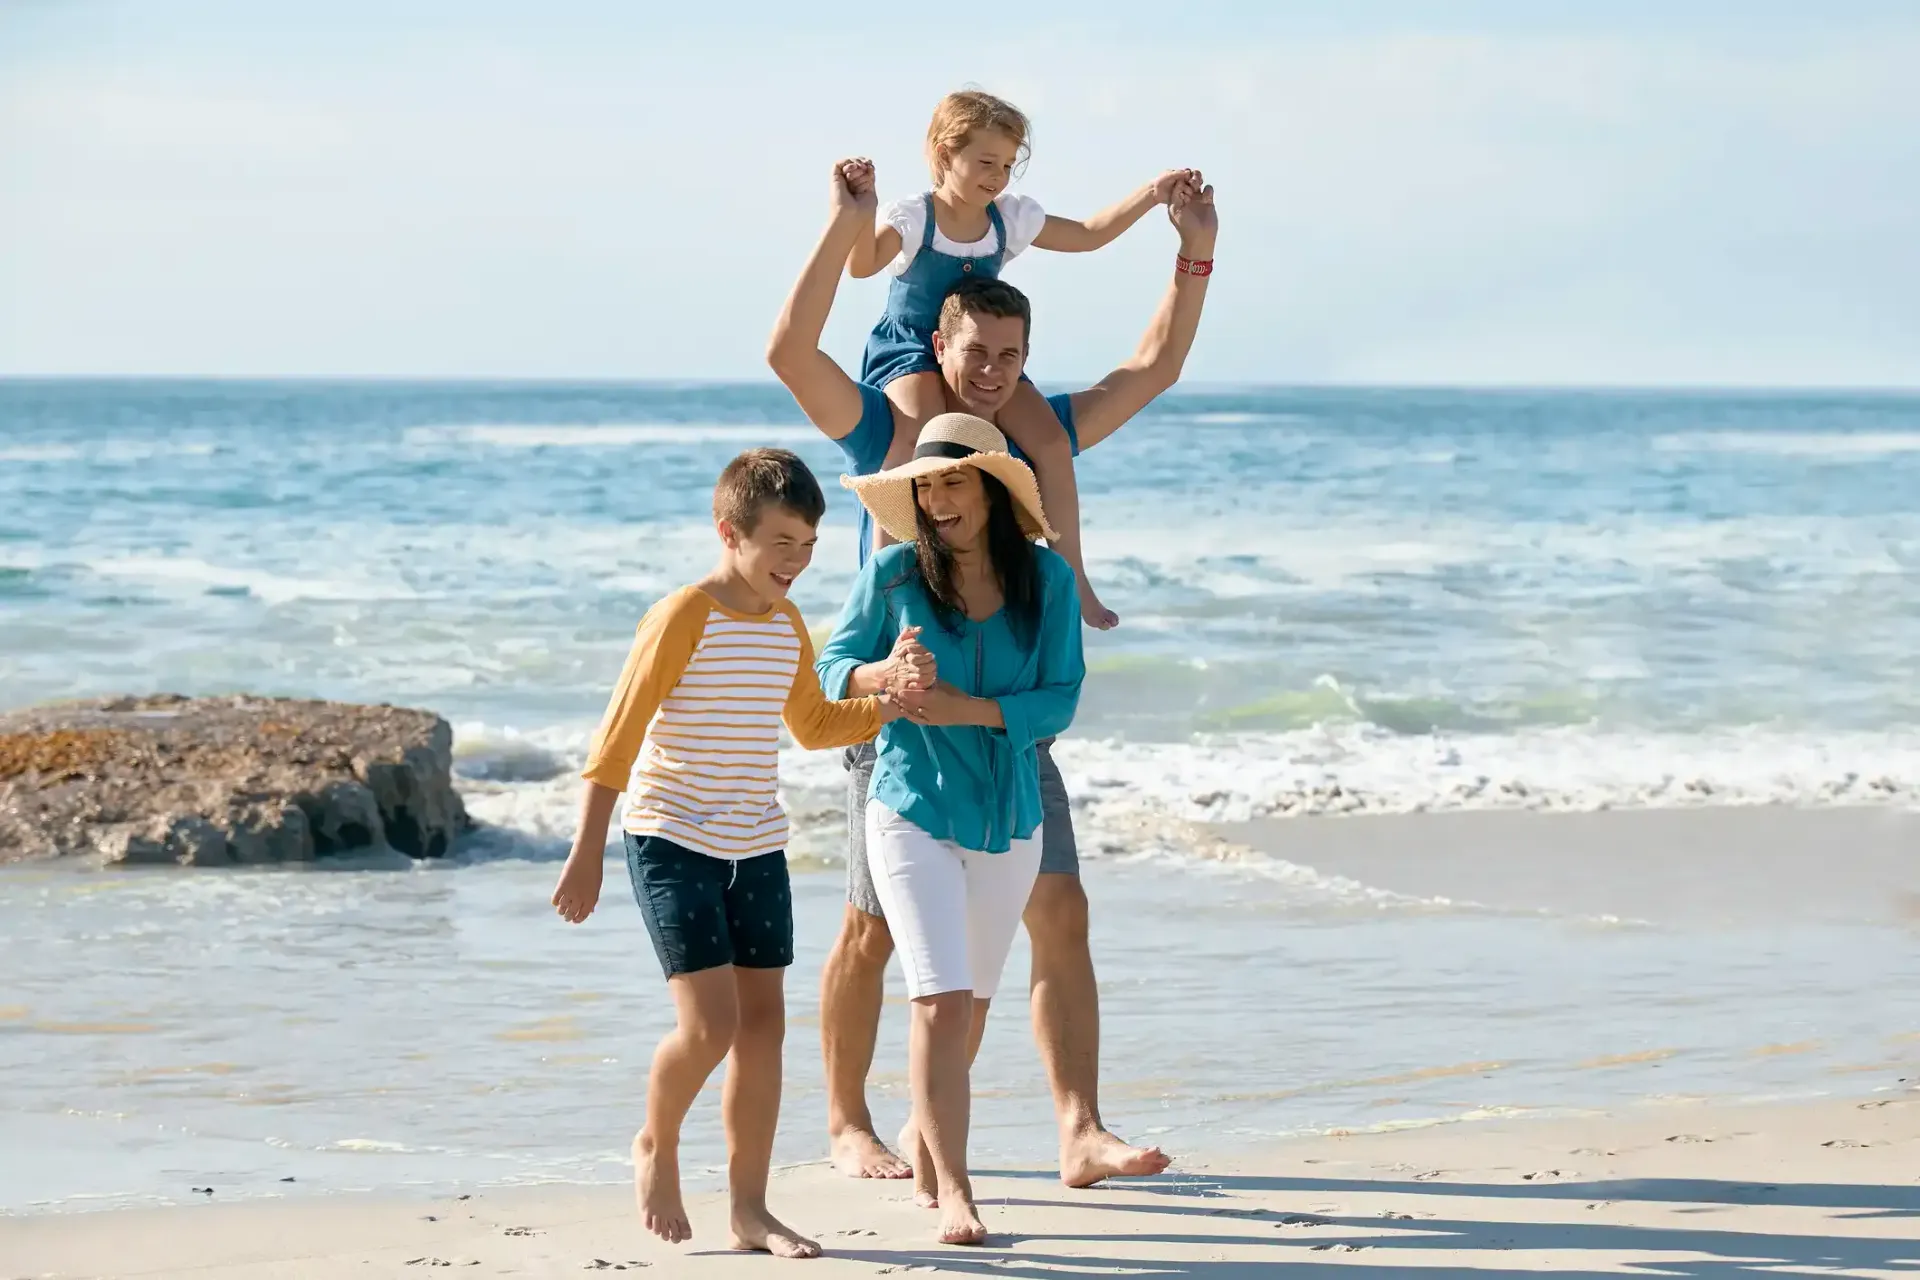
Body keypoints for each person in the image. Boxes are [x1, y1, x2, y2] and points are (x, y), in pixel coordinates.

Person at [766, 158, 1218, 1189]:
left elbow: (1151, 370)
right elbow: (791, 352)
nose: (994, 372)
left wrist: (1194, 253)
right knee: (872, 928)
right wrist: (843, 227)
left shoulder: (1028, 438)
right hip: (903, 720)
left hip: (1011, 724)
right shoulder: (888, 430)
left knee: (1061, 905)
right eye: (977, 352)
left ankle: (1080, 1127)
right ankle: (847, 1120)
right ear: (940, 343)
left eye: (1012, 355)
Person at [548, 448, 908, 1259]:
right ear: (729, 532)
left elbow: (813, 726)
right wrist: (586, 852)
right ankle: (657, 1144)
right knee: (709, 1026)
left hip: (758, 845)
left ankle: (750, 1209)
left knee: (764, 1031)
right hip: (672, 838)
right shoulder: (685, 615)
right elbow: (618, 738)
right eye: (781, 541)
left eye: (809, 544)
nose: (798, 561)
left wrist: (887, 705)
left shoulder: (785, 626)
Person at [816, 411, 1085, 1244]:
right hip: (910, 807)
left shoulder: (1048, 584)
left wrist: (970, 710)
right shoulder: (895, 575)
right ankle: (958, 1190)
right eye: (924, 487)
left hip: (1009, 817)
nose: (935, 500)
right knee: (937, 996)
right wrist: (882, 673)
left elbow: (1062, 696)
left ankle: (925, 1139)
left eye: (952, 482)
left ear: (992, 491)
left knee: (971, 1005)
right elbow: (830, 669)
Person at [843, 88, 1200, 631]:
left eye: (1008, 164)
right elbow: (863, 264)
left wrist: (1153, 196)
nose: (998, 176)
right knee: (911, 439)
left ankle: (1072, 577)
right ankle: (882, 587)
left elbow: (1088, 236)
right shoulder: (916, 216)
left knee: (1052, 442)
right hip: (912, 348)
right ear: (944, 154)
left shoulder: (1007, 220)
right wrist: (855, 210)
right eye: (985, 161)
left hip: (983, 353)